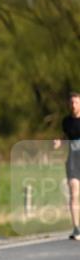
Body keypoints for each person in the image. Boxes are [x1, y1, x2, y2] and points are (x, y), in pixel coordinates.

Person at [54, 91, 80, 240]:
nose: (73, 105)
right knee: (74, 192)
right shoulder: (66, 122)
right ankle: (76, 229)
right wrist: (59, 142)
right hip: (73, 160)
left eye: (76, 102)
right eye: (71, 102)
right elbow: (65, 137)